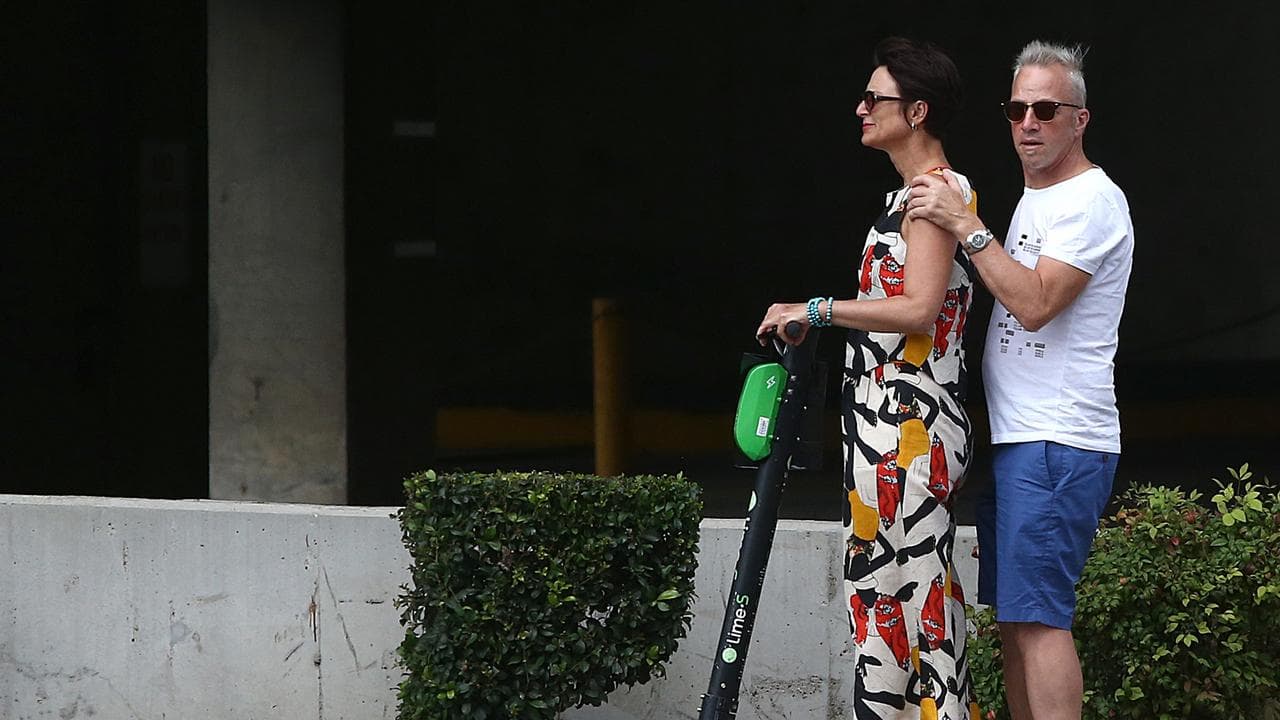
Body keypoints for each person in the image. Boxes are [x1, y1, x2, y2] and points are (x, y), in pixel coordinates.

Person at [906, 41, 1134, 720]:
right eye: (1016, 108)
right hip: (1021, 440)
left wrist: (968, 229)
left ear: (1080, 119)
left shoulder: (1092, 201)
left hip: (1058, 440)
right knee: (1013, 621)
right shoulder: (1041, 198)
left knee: (1038, 621)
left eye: (1045, 109)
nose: (1028, 122)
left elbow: (1034, 306)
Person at [757, 36, 980, 719]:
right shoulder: (904, 196)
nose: (860, 108)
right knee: (878, 598)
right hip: (877, 425)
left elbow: (917, 308)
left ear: (916, 111)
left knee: (923, 604)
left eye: (873, 98)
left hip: (914, 427)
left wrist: (818, 309)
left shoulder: (939, 194)